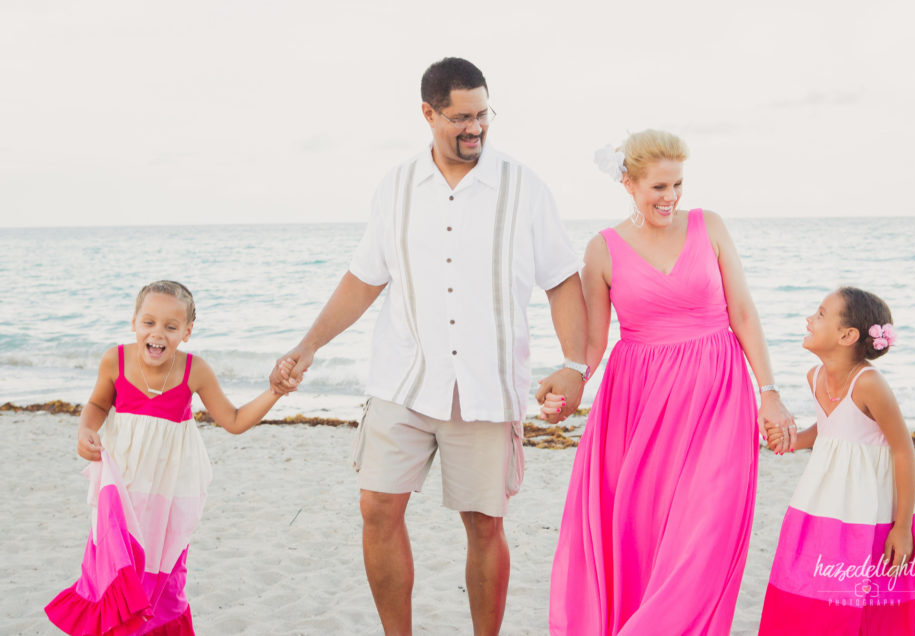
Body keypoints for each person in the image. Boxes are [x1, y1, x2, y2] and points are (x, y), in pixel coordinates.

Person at [270, 57, 587, 635]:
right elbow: (365, 277)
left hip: (486, 387)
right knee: (377, 510)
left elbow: (563, 278)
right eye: (461, 117)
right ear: (428, 113)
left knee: (484, 524)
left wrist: (573, 365)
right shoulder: (395, 186)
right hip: (404, 378)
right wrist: (309, 344)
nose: (476, 128)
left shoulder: (524, 186)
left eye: (483, 114)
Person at [545, 130, 795, 634]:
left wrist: (769, 392)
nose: (671, 197)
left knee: (706, 534)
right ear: (628, 183)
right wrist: (570, 380)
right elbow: (594, 346)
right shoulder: (602, 250)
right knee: (645, 535)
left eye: (678, 184)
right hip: (639, 405)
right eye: (658, 187)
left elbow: (743, 313)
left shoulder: (711, 227)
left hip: (718, 399)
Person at [46, 280, 282, 635]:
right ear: (134, 322)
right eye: (149, 323)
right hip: (120, 488)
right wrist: (85, 431)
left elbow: (233, 421)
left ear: (186, 332)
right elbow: (97, 404)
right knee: (111, 570)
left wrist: (275, 392)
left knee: (163, 575)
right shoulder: (115, 360)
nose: (158, 334)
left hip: (169, 493)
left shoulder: (194, 370)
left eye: (171, 327)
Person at [759, 288, 915, 634]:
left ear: (847, 336)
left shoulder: (870, 384)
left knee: (864, 597)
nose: (809, 319)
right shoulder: (815, 377)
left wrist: (902, 526)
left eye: (820, 314)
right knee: (805, 585)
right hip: (821, 500)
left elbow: (903, 451)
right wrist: (792, 440)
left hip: (869, 509)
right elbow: (830, 430)